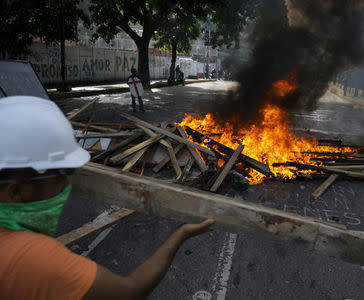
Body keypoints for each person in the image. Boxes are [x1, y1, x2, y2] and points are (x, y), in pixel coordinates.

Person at [0, 96, 215, 300]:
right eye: (60, 177)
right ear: (16, 192)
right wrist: (182, 233)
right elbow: (130, 292)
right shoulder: (33, 261)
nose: (66, 185)